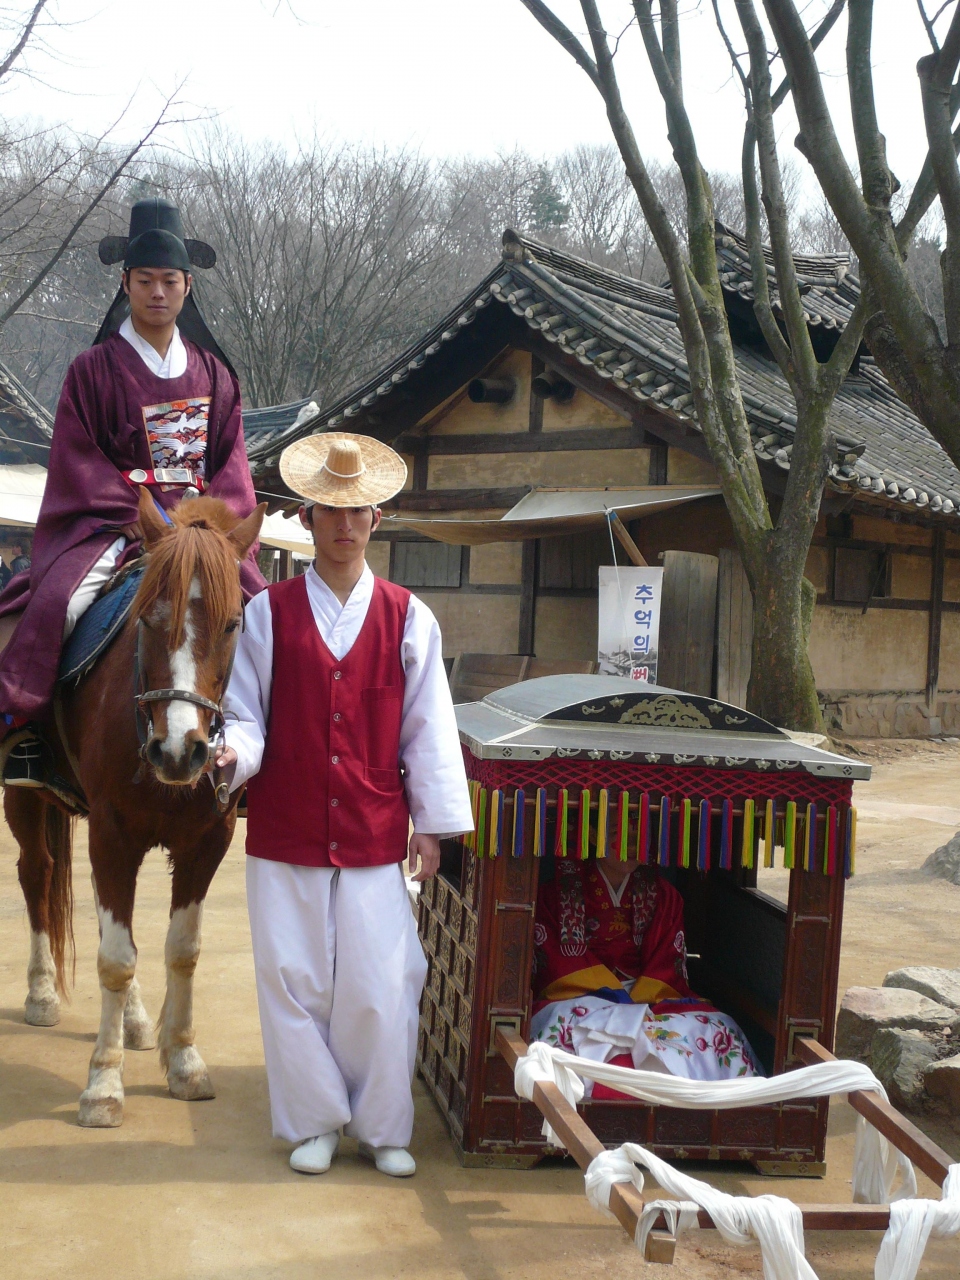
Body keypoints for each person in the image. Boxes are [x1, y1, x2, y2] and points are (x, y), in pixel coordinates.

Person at [216, 432, 473, 1179]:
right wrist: (233, 755)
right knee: (292, 979)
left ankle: (382, 1124)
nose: (345, 524)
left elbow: (428, 726)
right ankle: (315, 1120)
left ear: (376, 519)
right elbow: (246, 715)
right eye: (331, 510)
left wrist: (432, 825)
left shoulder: (408, 616)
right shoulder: (267, 614)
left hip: (371, 825)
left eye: (358, 511)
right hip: (286, 826)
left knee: (384, 979)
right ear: (307, 516)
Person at [0, 197, 264, 786]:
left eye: (169, 281)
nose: (157, 293)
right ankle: (28, 729)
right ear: (125, 284)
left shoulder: (216, 375)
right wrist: (142, 516)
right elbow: (78, 459)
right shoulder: (91, 370)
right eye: (145, 281)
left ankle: (264, 741)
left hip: (201, 533)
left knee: (265, 613)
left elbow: (231, 467)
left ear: (188, 286)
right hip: (115, 525)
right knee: (58, 604)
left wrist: (201, 527)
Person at [532, 854, 760, 1094]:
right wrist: (617, 1000)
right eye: (617, 836)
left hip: (650, 995)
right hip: (582, 994)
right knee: (567, 1030)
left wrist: (638, 1002)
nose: (630, 846)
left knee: (718, 1029)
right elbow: (558, 961)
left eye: (636, 837)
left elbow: (666, 959)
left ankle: (720, 1103)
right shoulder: (557, 894)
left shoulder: (663, 894)